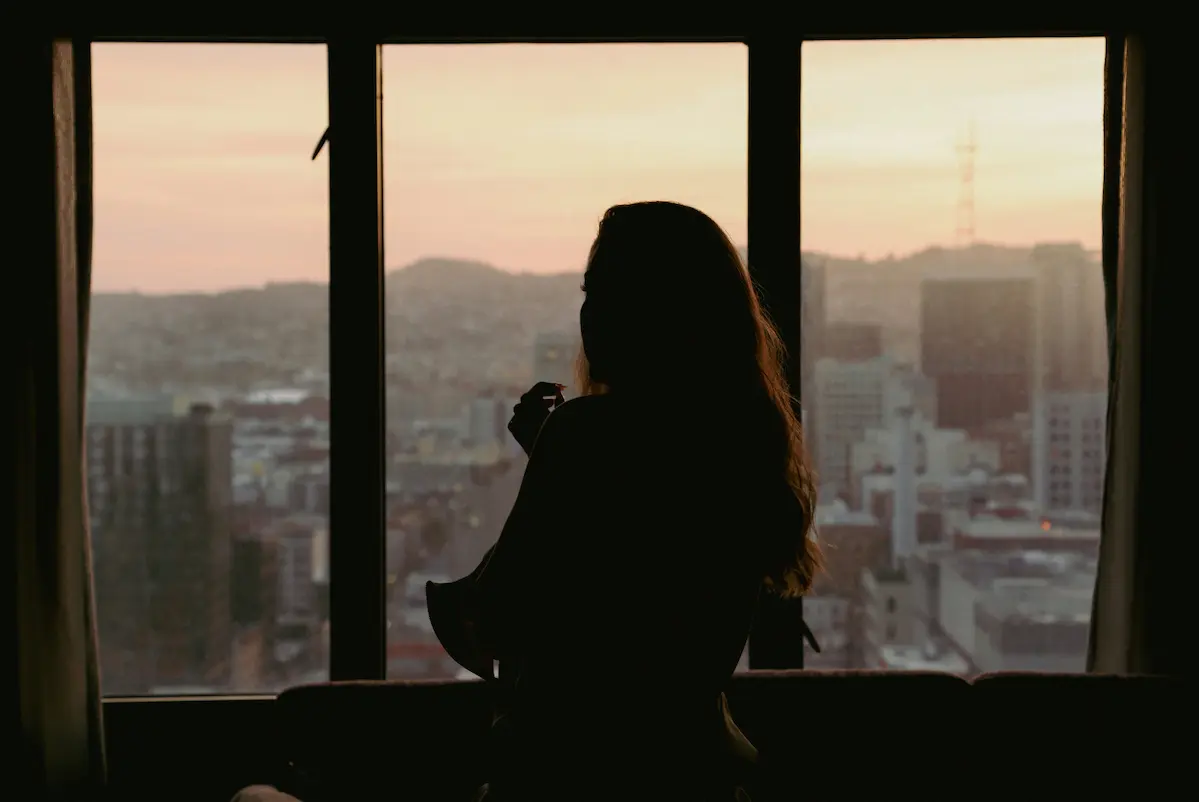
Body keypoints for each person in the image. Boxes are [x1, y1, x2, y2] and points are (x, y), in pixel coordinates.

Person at [427, 201, 820, 801]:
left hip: (568, 770)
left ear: (654, 312)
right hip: (697, 769)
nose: (590, 313)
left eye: (609, 292)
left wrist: (556, 460)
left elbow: (500, 616)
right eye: (590, 292)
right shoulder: (739, 442)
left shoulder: (583, 435)